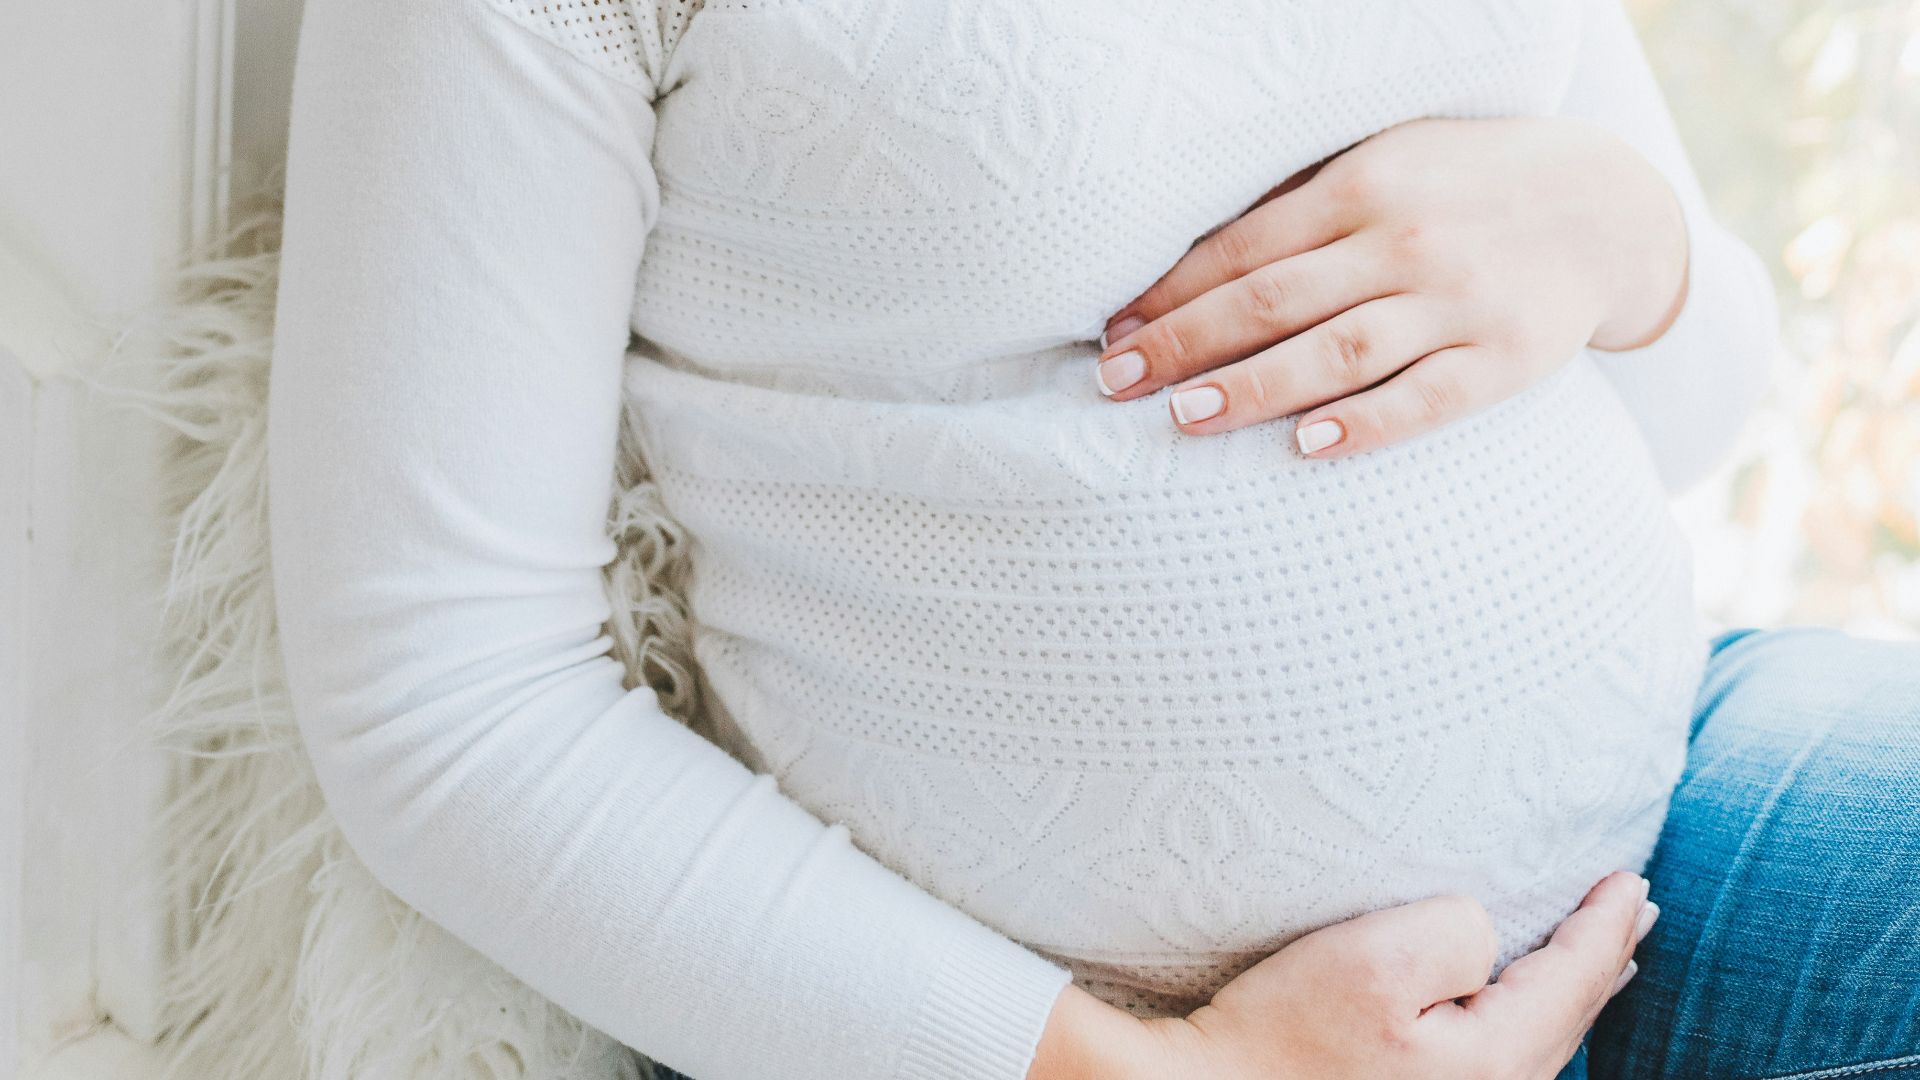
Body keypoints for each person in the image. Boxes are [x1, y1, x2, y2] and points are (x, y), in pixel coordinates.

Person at [264, 0, 1920, 1077]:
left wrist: (1625, 235)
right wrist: (1151, 1075)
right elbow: (444, 702)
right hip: (1038, 1026)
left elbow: (1689, 411)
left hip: (1653, 837)